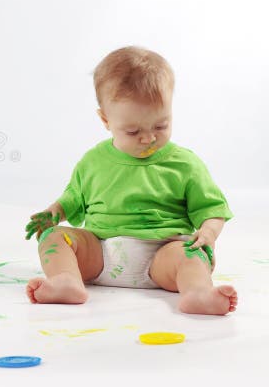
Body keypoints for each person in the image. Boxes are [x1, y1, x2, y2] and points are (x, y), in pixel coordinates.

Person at [25, 46, 237, 315]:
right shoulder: (93, 161)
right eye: (133, 130)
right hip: (100, 253)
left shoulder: (185, 164)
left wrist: (208, 233)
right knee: (54, 238)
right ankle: (65, 281)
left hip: (163, 254)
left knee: (191, 256)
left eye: (161, 126)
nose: (148, 138)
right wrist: (54, 212)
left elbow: (213, 210)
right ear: (105, 119)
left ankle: (198, 293)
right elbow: (74, 197)